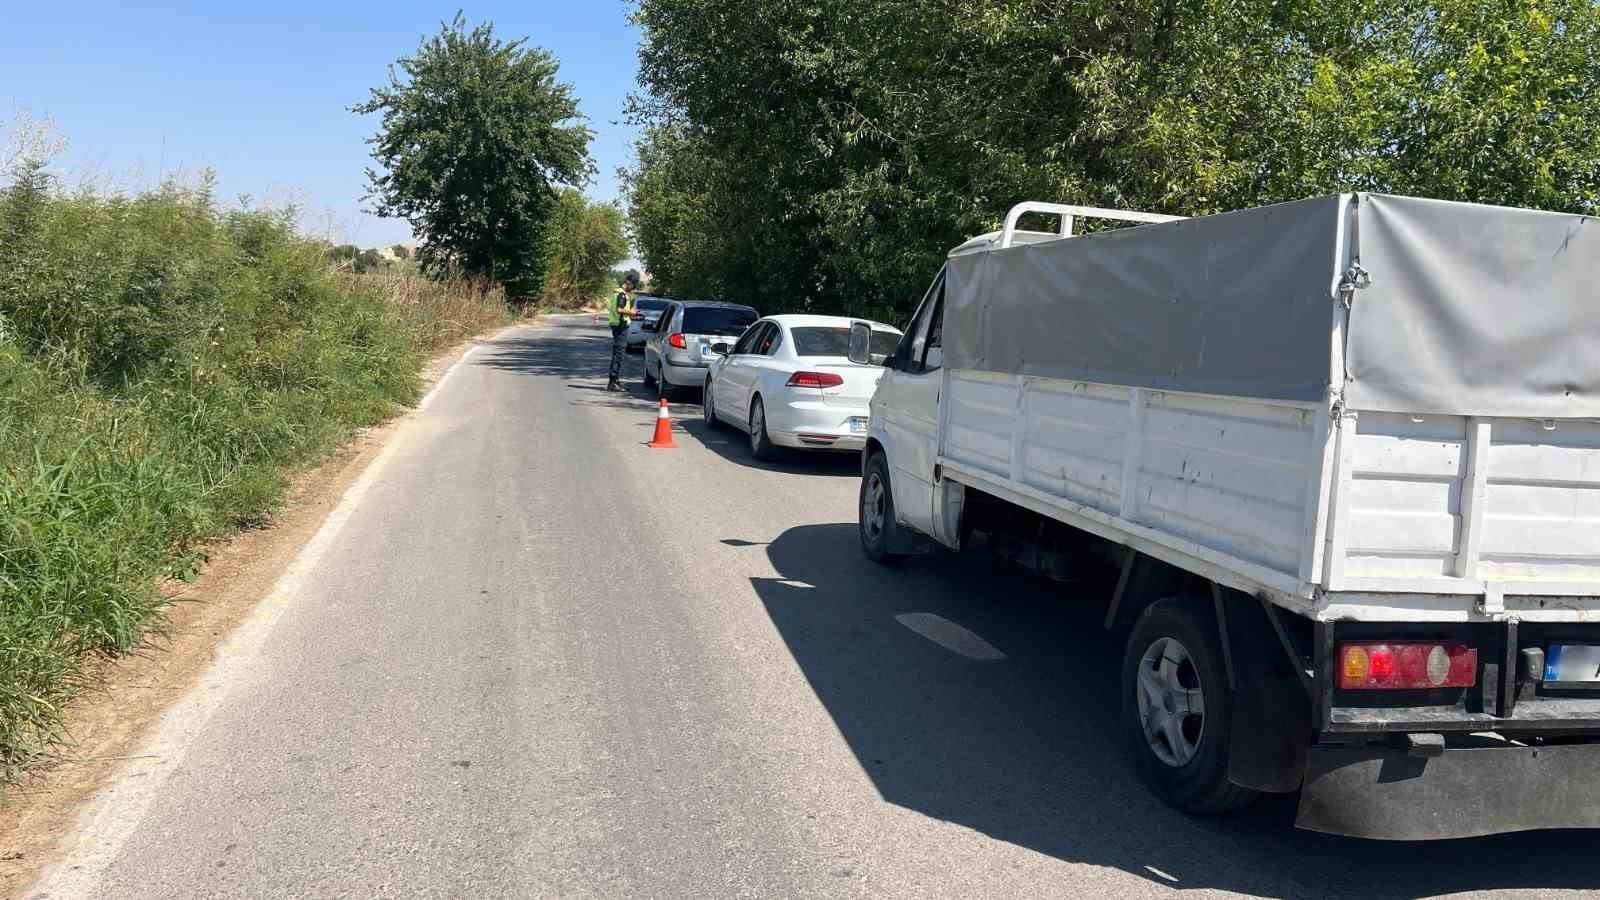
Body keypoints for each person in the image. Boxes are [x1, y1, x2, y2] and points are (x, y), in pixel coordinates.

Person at [606, 273, 638, 391]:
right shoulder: (622, 294)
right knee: (618, 354)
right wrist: (631, 313)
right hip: (620, 326)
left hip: (618, 325)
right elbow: (619, 309)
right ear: (628, 282)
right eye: (633, 285)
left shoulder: (618, 293)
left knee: (618, 353)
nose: (633, 288)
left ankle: (615, 380)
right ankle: (612, 382)